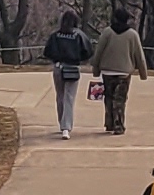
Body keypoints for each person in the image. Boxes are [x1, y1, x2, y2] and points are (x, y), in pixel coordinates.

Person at [97, 9, 147, 136]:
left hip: (107, 71)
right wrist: (143, 73)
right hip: (124, 72)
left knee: (108, 97)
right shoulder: (132, 35)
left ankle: (109, 123)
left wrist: (96, 69)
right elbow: (139, 55)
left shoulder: (107, 32)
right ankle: (118, 125)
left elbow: (99, 52)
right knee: (120, 99)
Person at [46, 9, 92, 137]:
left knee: (60, 96)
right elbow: (88, 51)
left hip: (58, 67)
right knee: (69, 97)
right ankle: (66, 126)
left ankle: (62, 123)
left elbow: (47, 51)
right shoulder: (79, 35)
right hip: (73, 67)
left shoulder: (55, 35)